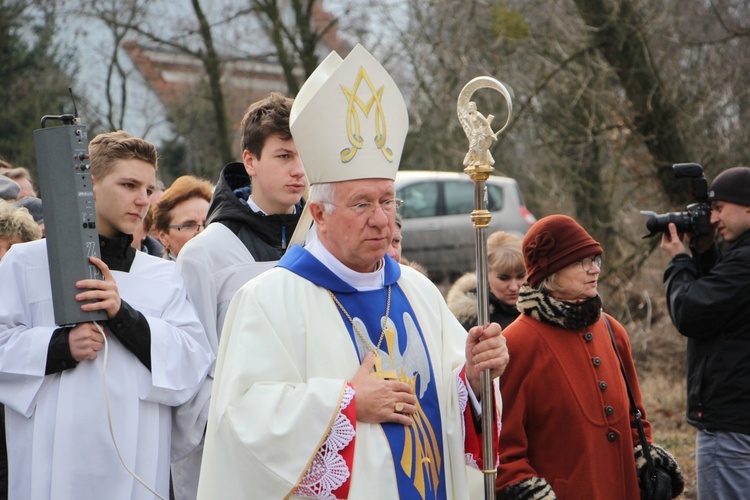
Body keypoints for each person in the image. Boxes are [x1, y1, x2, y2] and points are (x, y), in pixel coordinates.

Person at [197, 43, 508, 500]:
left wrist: (478, 380)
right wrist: (345, 404)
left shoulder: (418, 291)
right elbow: (240, 421)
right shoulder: (266, 301)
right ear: (318, 215)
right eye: (361, 204)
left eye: (387, 200)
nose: (381, 219)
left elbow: (451, 403)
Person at [0, 131, 213, 500]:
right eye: (129, 184)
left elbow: (193, 362)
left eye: (148, 189)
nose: (142, 200)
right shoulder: (28, 262)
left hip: (136, 458)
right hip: (52, 453)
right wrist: (61, 345)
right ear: (90, 184)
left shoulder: (163, 274)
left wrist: (122, 315)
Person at [172, 92, 306, 498]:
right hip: (236, 446)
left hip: (311, 437)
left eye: (304, 157)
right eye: (284, 156)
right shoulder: (207, 253)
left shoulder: (320, 244)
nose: (299, 170)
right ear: (250, 161)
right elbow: (192, 366)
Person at [495, 214, 683, 499]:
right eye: (581, 261)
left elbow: (637, 423)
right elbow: (504, 451)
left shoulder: (611, 329)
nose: (594, 269)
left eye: (596, 259)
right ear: (550, 273)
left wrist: (649, 465)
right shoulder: (515, 343)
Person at [660, 165, 750, 499]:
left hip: (731, 423)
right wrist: (704, 252)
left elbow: (691, 312)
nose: (712, 219)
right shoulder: (740, 258)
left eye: (719, 208)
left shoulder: (744, 261)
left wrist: (679, 261)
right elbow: (725, 302)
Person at [447, 231, 525, 330]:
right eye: (504, 278)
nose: (514, 287)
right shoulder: (470, 320)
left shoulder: (541, 311)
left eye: (521, 276)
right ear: (485, 274)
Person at [151, 175, 212, 260]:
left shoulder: (231, 269)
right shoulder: (158, 273)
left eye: (208, 224)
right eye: (189, 225)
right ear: (163, 236)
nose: (202, 232)